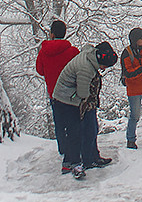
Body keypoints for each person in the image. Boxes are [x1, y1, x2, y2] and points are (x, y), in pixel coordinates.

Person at [52, 41, 117, 180]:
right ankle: (72, 163)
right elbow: (82, 93)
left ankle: (90, 158)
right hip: (65, 100)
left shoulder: (89, 56)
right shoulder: (86, 68)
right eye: (104, 66)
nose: (103, 69)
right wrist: (89, 101)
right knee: (75, 131)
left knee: (88, 128)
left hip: (68, 97)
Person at [34, 20, 79, 170]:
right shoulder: (72, 51)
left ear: (52, 34)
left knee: (59, 123)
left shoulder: (43, 51)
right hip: (71, 94)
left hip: (53, 93)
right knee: (73, 123)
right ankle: (73, 152)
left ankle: (62, 149)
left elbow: (40, 70)